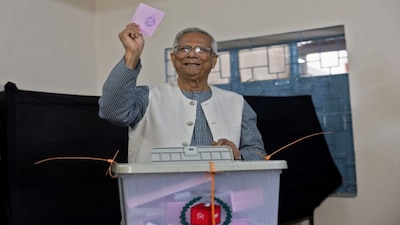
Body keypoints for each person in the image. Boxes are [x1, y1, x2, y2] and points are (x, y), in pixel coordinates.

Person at [98, 23, 267, 163]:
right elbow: (112, 112)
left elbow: (258, 153)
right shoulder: (148, 96)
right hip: (156, 195)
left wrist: (238, 155)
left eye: (202, 50)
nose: (192, 54)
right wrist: (132, 54)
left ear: (214, 60)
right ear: (173, 58)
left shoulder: (237, 103)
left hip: (220, 194)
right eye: (184, 49)